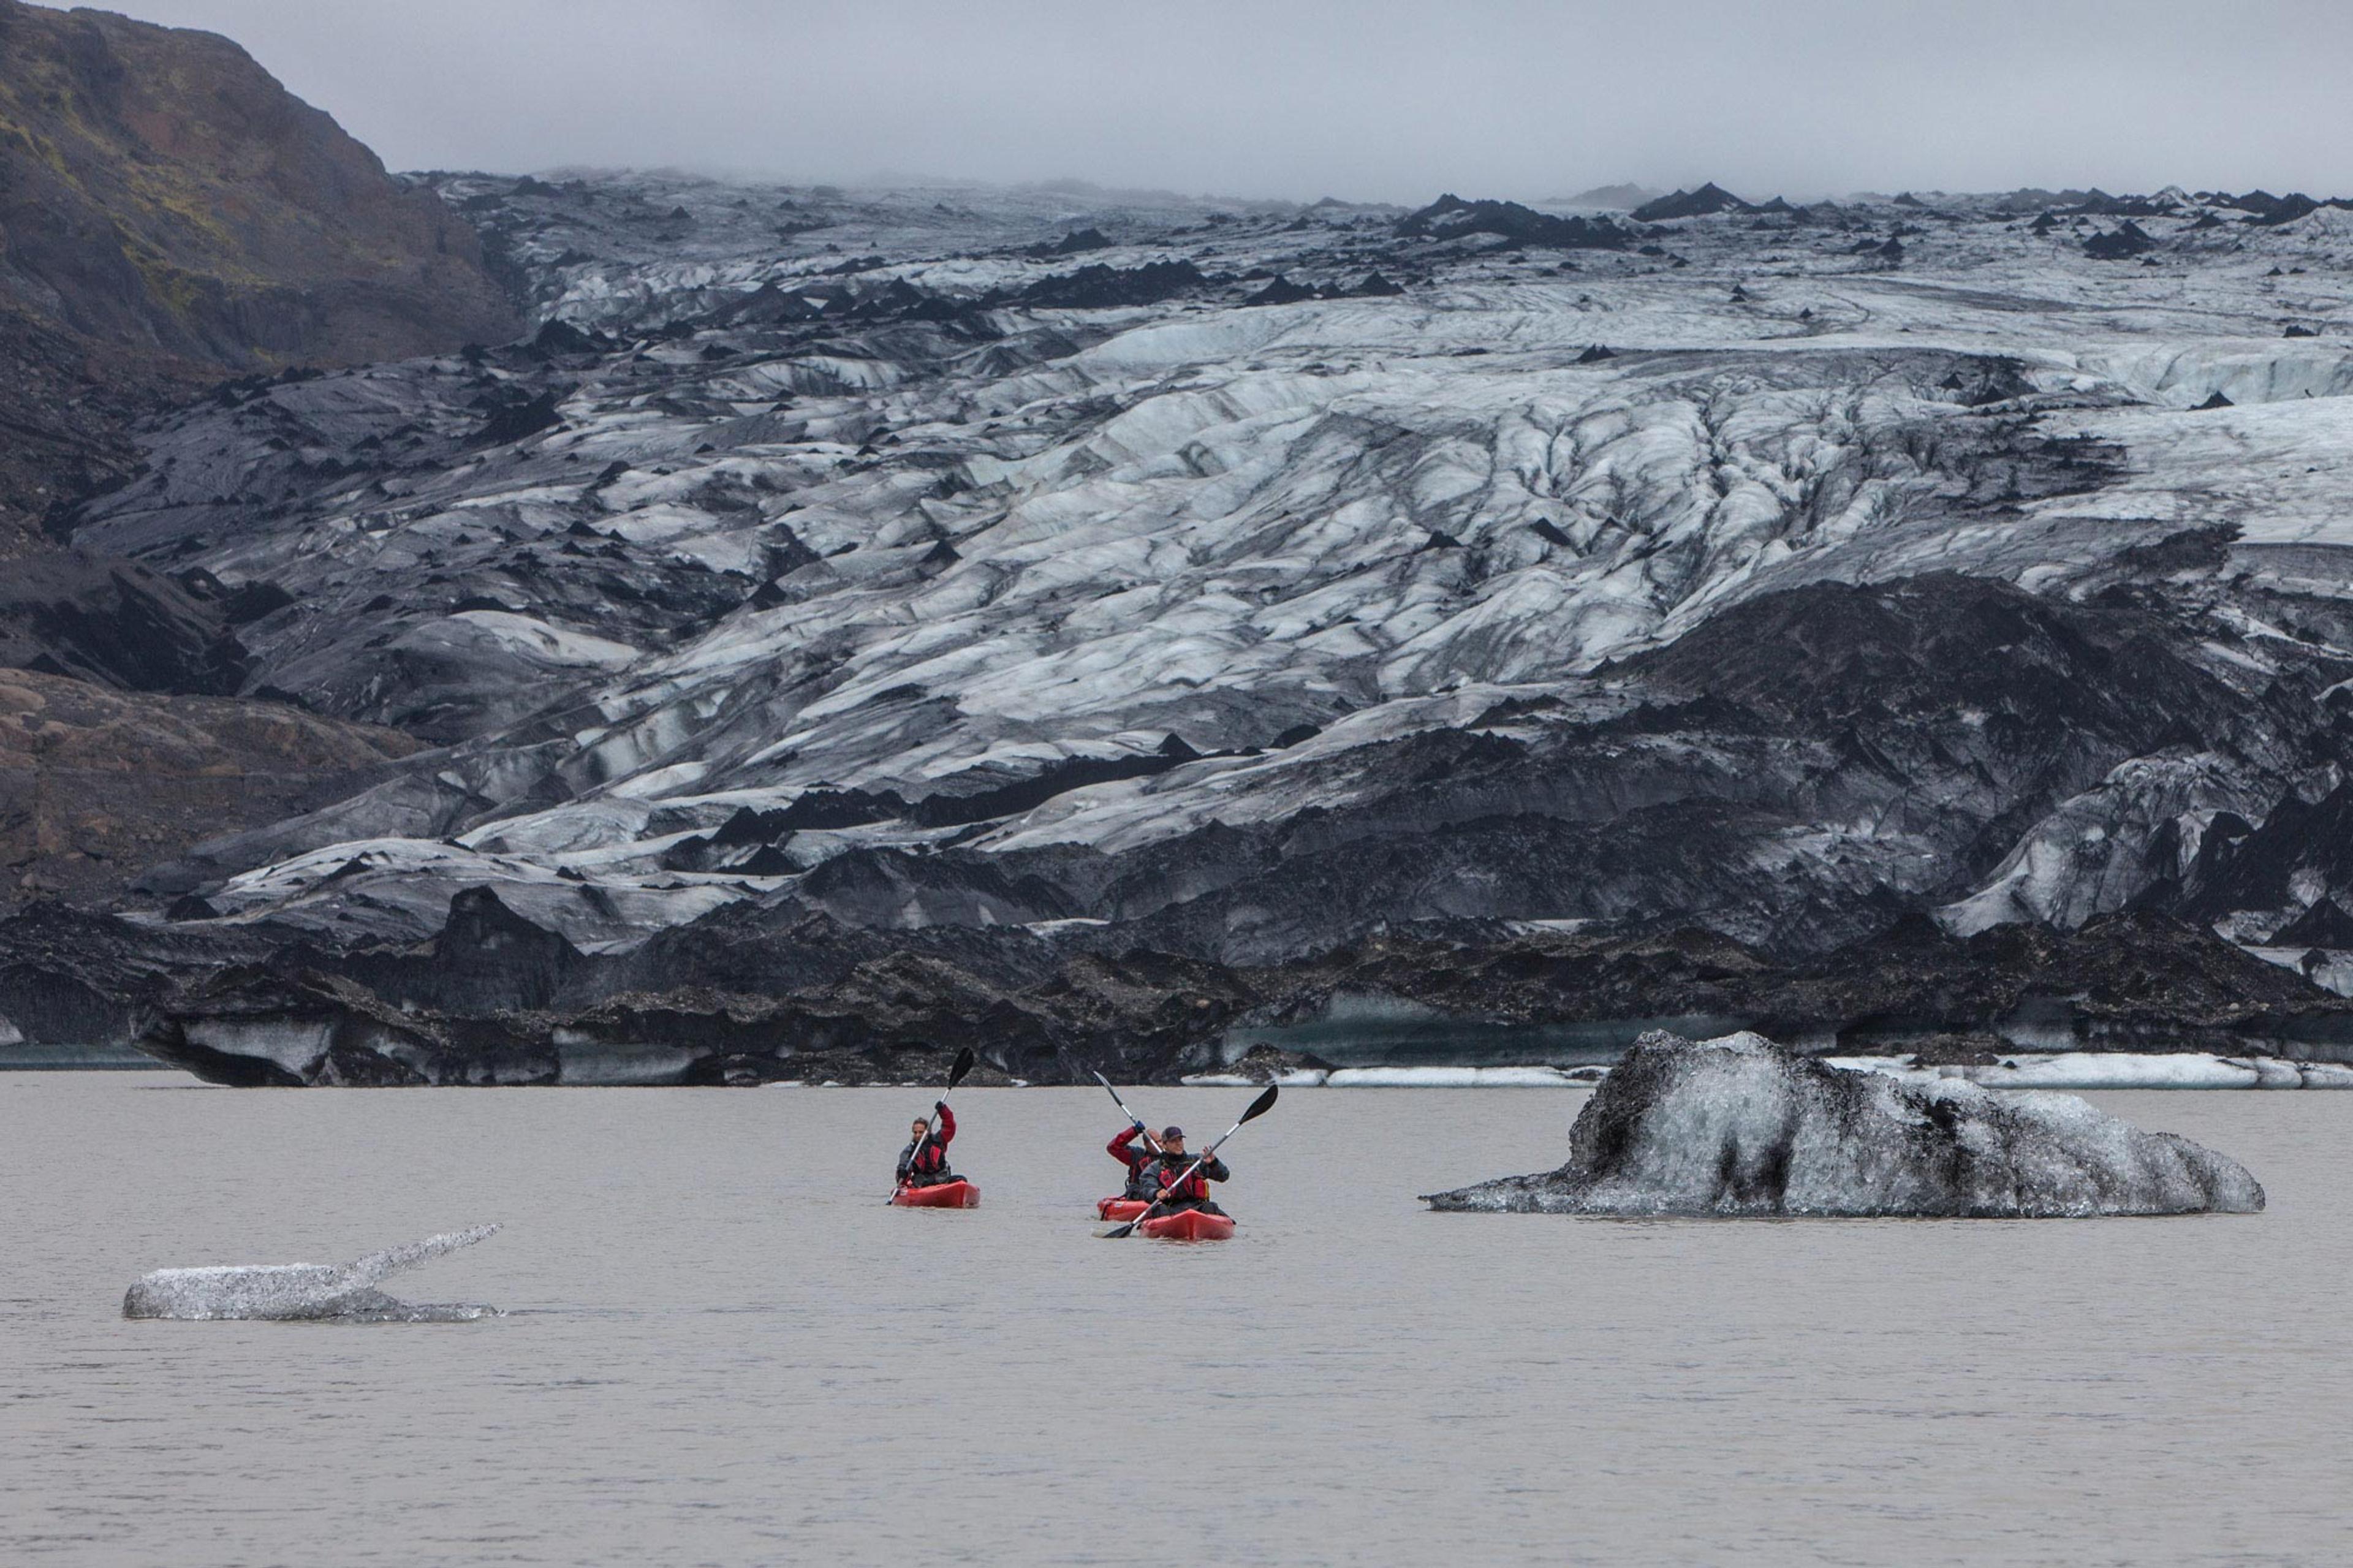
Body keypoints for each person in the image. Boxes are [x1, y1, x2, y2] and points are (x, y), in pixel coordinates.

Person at [1112, 1123, 1228, 1216]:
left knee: (1211, 1207)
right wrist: (1156, 1193)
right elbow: (1147, 1188)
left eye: (1180, 1140)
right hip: (1170, 1208)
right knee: (1161, 1210)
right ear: (1165, 1145)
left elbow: (1224, 1176)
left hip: (1195, 1206)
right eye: (1173, 1141)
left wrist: (1214, 1163)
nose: (1178, 1145)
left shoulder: (1196, 1161)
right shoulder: (1154, 1167)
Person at [896, 1101, 959, 1189]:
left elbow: (949, 1126)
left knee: (961, 1179)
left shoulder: (939, 1140)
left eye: (921, 1132)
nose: (918, 1135)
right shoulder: (910, 1150)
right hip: (922, 1182)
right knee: (924, 1183)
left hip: (942, 1179)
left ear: (928, 1132)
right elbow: (903, 1166)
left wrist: (943, 1111)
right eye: (915, 1132)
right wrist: (902, 1173)